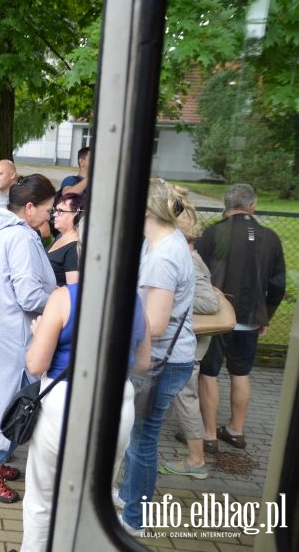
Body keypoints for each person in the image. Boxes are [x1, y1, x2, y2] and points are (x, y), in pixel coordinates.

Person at [22, 267, 150, 551]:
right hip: (117, 403)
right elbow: (142, 362)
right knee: (93, 499)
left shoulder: (63, 297)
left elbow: (35, 364)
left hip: (64, 402)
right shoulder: (134, 301)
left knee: (43, 499)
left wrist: (38, 332)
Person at [0, 174, 57, 503]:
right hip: (10, 333)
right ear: (30, 208)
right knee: (11, 401)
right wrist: (63, 299)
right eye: (47, 208)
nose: (50, 215)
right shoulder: (19, 238)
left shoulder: (0, 231)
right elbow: (30, 295)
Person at [119, 179, 196, 535]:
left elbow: (157, 324)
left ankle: (135, 519)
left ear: (146, 211)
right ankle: (132, 496)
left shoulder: (163, 256)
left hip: (161, 363)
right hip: (167, 361)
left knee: (142, 441)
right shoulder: (164, 243)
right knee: (140, 438)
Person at [196, 184, 286, 451]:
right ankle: (236, 431)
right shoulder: (270, 237)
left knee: (208, 373)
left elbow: (199, 276)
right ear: (253, 206)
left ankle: (209, 435)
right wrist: (265, 317)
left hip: (217, 318)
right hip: (250, 317)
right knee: (241, 372)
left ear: (226, 205)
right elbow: (278, 285)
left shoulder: (213, 233)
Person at [160, 194, 218, 479]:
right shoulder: (186, 255)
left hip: (186, 345)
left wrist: (173, 296)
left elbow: (210, 303)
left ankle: (197, 461)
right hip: (182, 343)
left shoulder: (189, 261)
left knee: (186, 398)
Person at [46, 192, 84, 286]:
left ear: (76, 215)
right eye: (55, 210)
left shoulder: (74, 248)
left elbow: (72, 290)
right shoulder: (60, 236)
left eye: (60, 211)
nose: (54, 214)